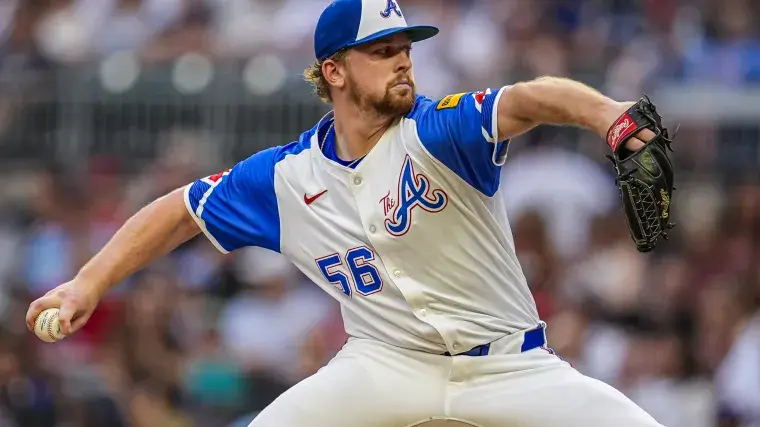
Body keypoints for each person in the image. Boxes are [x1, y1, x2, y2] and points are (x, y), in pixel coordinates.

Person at [26, 0, 662, 426]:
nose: (403, 59)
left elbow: (527, 100)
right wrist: (88, 283)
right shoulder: (285, 177)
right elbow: (180, 211)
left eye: (405, 47)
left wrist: (609, 117)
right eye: (381, 50)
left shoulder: (440, 131)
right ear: (333, 70)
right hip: (385, 364)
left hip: (508, 363)